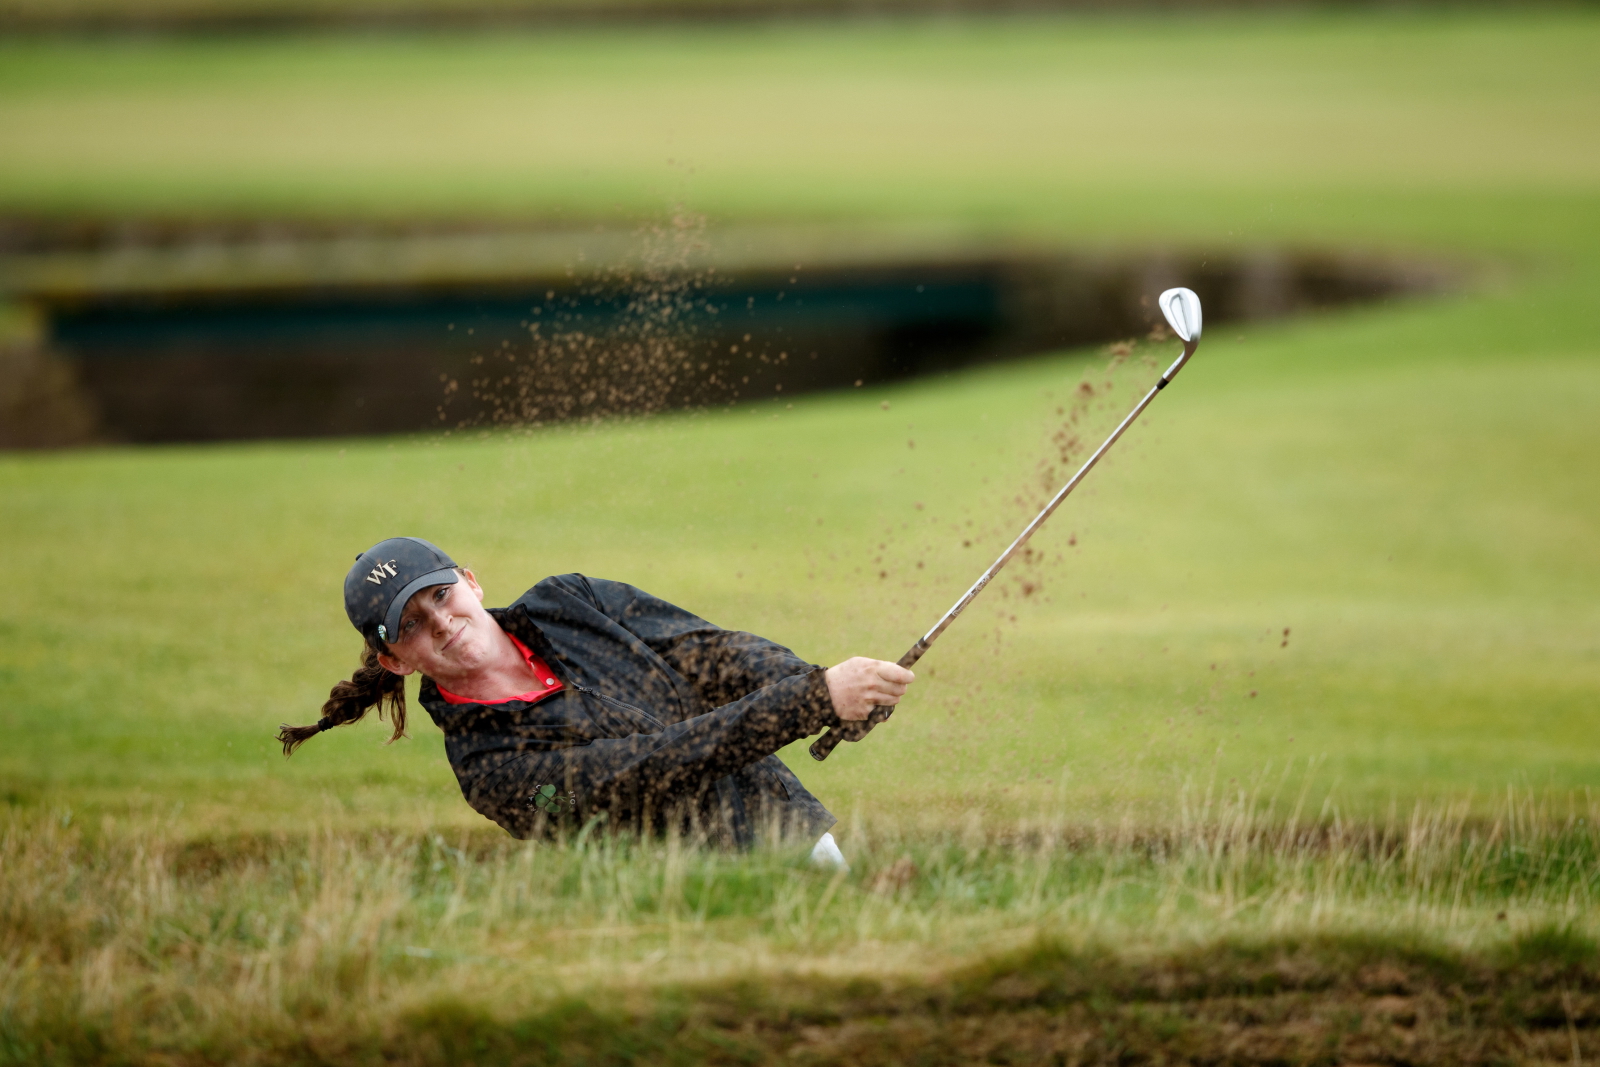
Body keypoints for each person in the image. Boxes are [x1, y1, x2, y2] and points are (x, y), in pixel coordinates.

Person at [277, 537, 914, 858]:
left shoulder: (570, 601)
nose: (441, 622)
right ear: (393, 660)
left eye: (440, 595)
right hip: (680, 912)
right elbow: (647, 770)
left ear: (469, 582)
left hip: (790, 833)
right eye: (411, 624)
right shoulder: (488, 767)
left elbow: (711, 651)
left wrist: (821, 686)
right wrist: (808, 702)